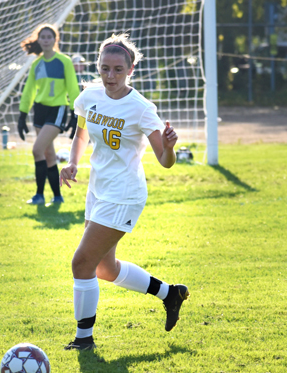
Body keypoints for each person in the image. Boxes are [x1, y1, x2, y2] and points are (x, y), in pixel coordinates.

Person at [59, 33, 189, 351]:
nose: (110, 76)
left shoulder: (141, 108)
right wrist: (72, 163)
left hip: (125, 193)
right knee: (104, 268)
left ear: (131, 69)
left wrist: (170, 148)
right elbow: (81, 133)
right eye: (105, 69)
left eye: (118, 70)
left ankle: (83, 340)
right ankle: (170, 293)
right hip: (98, 190)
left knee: (81, 263)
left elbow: (165, 161)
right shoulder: (89, 97)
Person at [18, 24, 80, 205]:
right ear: (38, 40)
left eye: (49, 37)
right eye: (42, 37)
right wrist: (22, 115)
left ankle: (38, 195)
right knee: (48, 154)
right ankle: (57, 197)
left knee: (37, 150)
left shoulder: (64, 61)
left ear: (55, 40)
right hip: (40, 111)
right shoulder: (36, 64)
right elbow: (29, 91)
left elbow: (73, 89)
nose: (45, 40)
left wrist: (74, 115)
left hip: (57, 110)